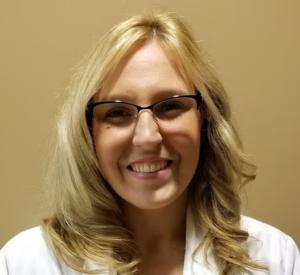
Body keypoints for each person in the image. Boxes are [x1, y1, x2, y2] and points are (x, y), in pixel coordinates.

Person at [0, 11, 299, 275]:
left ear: (205, 120)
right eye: (117, 112)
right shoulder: (23, 263)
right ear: (88, 132)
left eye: (170, 106)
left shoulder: (275, 258)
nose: (147, 137)